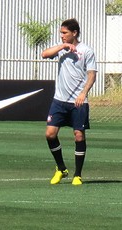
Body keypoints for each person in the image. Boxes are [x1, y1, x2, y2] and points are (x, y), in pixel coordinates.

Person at [41, 18, 97, 186]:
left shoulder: (86, 51)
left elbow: (92, 74)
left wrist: (83, 93)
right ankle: (61, 168)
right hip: (59, 100)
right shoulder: (61, 49)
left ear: (75, 33)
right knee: (50, 134)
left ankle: (77, 175)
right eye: (61, 33)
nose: (62, 36)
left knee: (78, 135)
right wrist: (62, 46)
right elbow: (44, 54)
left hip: (78, 102)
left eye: (65, 33)